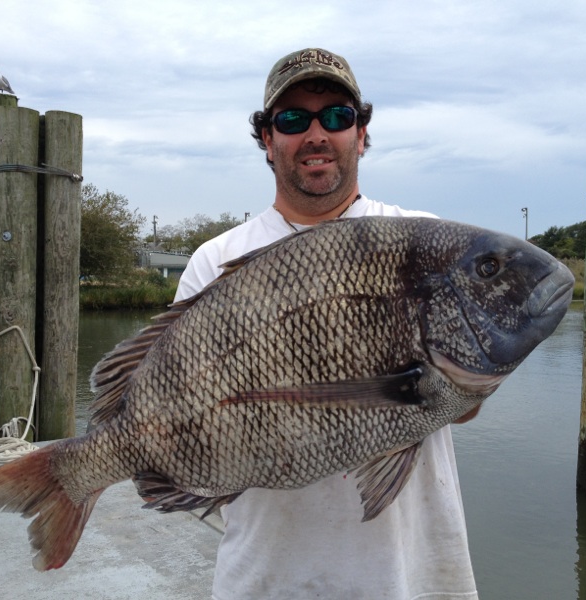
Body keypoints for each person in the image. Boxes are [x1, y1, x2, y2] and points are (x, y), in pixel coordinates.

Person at [175, 48, 479, 600]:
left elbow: (462, 404)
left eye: (336, 116)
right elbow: (186, 415)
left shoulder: (421, 240)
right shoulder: (213, 262)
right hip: (266, 580)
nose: (316, 133)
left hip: (408, 579)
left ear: (361, 133)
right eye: (292, 119)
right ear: (267, 140)